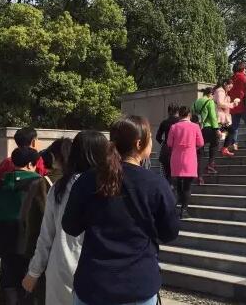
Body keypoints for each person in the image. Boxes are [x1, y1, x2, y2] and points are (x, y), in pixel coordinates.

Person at [63, 116, 179, 305]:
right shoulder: (156, 184)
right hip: (137, 283)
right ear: (139, 143)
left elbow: (70, 226)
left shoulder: (87, 180)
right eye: (150, 137)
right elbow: (170, 232)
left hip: (93, 283)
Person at [21, 131, 107, 305]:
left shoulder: (60, 187)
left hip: (61, 269)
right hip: (99, 272)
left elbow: (46, 236)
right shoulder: (109, 187)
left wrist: (34, 272)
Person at [19, 137, 72, 304]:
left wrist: (32, 262)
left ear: (54, 158)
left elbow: (32, 224)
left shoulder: (43, 184)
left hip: (52, 259)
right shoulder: (88, 183)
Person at [0, 147, 42, 305]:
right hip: (28, 239)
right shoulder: (38, 182)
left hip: (3, 237)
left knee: (8, 281)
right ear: (31, 164)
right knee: (28, 282)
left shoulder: (1, 183)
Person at [167, 106, 204, 218]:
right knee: (187, 186)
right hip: (190, 158)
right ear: (189, 115)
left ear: (179, 115)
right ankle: (184, 210)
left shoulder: (174, 127)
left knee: (178, 184)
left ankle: (176, 207)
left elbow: (169, 143)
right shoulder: (195, 126)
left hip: (176, 159)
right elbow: (201, 143)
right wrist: (193, 147)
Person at [192, 87, 220, 179]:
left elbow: (192, 115)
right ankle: (210, 164)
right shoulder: (210, 102)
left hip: (197, 129)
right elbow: (213, 117)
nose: (213, 97)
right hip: (208, 128)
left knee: (200, 152)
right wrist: (216, 129)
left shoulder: (195, 102)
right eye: (213, 95)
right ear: (210, 94)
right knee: (215, 143)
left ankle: (199, 175)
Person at [214, 79, 240, 157]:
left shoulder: (224, 92)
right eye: (229, 87)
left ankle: (224, 149)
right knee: (230, 131)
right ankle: (223, 149)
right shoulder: (220, 91)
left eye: (231, 87)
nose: (230, 89)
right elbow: (220, 103)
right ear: (225, 84)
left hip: (223, 118)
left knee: (230, 131)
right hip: (219, 117)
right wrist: (232, 105)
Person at [156, 104, 180, 183]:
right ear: (178, 112)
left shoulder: (164, 122)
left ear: (169, 112)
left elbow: (158, 137)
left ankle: (169, 186)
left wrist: (164, 143)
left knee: (167, 173)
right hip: (179, 150)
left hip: (167, 150)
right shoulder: (180, 123)